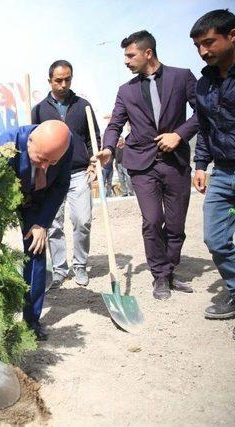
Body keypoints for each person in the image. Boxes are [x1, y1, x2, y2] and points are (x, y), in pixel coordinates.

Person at [96, 30, 198, 300]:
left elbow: (204, 112)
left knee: (176, 225)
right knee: (152, 221)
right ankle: (160, 277)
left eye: (130, 55)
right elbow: (116, 123)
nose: (126, 61)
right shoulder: (125, 90)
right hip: (142, 165)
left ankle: (170, 269)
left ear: (147, 53)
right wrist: (108, 148)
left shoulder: (182, 77)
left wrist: (179, 134)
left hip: (176, 163)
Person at [0, 120, 73, 340]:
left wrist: (42, 223)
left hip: (37, 198)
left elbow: (60, 186)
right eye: (41, 159)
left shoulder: (65, 144)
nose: (45, 167)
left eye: (53, 161)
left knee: (37, 249)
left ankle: (31, 321)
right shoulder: (8, 144)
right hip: (3, 196)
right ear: (30, 142)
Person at [32, 60, 99, 288]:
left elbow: (93, 138)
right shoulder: (39, 109)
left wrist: (94, 163)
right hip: (51, 175)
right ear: (49, 80)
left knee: (83, 220)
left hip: (79, 172)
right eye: (58, 80)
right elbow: (33, 142)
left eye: (67, 79)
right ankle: (60, 269)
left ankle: (80, 265)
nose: (63, 84)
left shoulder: (84, 106)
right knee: (53, 224)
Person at [190, 9, 235, 319]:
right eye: (198, 47)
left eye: (209, 43)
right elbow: (205, 129)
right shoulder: (203, 85)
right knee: (215, 238)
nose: (204, 52)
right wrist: (201, 164)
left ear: (232, 36)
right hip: (222, 171)